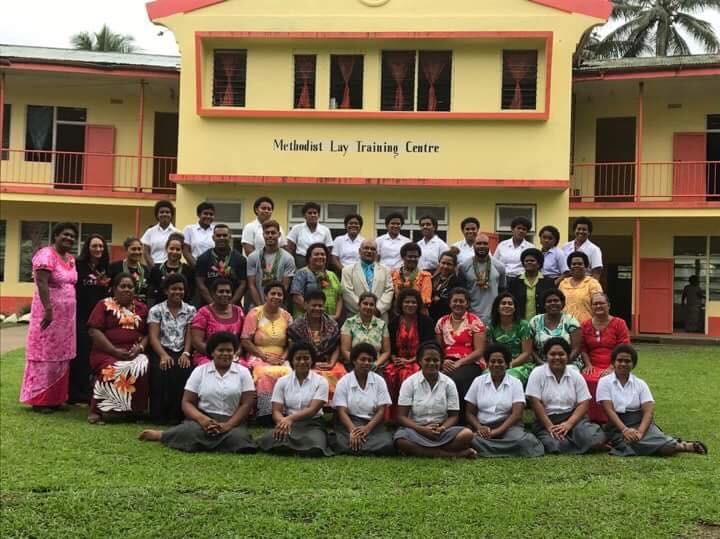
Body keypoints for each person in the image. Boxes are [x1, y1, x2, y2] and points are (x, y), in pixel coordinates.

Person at [139, 332, 257, 453]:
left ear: (234, 352)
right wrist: (203, 420)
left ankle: (203, 441)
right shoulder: (200, 371)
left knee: (239, 440)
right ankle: (163, 435)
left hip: (232, 422)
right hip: (202, 421)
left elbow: (247, 404)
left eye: (229, 350)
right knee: (187, 432)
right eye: (221, 350)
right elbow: (187, 402)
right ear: (212, 352)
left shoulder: (243, 372)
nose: (226, 354)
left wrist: (228, 425)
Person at [598, 344, 707, 457]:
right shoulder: (605, 382)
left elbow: (648, 412)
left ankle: (683, 445)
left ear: (633, 364)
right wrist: (625, 430)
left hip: (640, 424)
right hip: (617, 426)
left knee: (666, 448)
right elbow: (609, 410)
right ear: (613, 362)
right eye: (619, 360)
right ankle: (679, 445)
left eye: (627, 361)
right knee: (629, 443)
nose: (623, 364)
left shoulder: (640, 384)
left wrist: (640, 432)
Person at [20, 222, 79, 412]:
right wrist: (48, 308)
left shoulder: (70, 259)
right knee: (44, 355)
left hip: (66, 319)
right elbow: (42, 282)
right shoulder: (46, 254)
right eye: (65, 235)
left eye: (72, 236)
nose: (69, 238)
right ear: (56, 236)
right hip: (49, 315)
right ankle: (40, 400)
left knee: (61, 357)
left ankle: (56, 399)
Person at [394, 341, 476, 458]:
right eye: (427, 360)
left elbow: (454, 416)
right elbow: (401, 417)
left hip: (441, 432)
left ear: (441, 362)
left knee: (467, 434)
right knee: (400, 440)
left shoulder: (449, 383)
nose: (432, 363)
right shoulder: (409, 383)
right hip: (416, 430)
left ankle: (425, 452)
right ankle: (452, 455)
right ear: (419, 361)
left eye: (436, 360)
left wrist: (442, 428)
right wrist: (422, 430)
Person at [87, 272, 149, 424]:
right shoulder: (104, 305)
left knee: (142, 366)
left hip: (134, 351)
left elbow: (149, 333)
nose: (127, 289)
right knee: (113, 368)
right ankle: (99, 411)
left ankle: (134, 411)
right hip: (106, 351)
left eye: (130, 287)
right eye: (123, 286)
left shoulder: (142, 308)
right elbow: (94, 330)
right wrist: (114, 351)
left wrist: (140, 348)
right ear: (114, 289)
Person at [526, 337, 606, 454]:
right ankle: (578, 443)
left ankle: (578, 440)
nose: (557, 357)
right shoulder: (537, 373)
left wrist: (568, 424)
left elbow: (584, 403)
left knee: (593, 437)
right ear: (546, 356)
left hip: (573, 419)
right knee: (555, 444)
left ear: (568, 356)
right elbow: (534, 402)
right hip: (547, 420)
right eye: (552, 354)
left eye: (561, 354)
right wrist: (550, 427)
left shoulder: (575, 375)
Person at [465, 344, 544, 458]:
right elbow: (469, 413)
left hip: (509, 427)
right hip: (483, 427)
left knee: (523, 441)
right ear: (487, 364)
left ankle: (484, 450)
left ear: (507, 364)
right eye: (492, 361)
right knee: (467, 438)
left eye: (500, 361)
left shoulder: (515, 383)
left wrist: (495, 432)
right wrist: (479, 428)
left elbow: (517, 415)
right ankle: (504, 450)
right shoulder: (478, 381)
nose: (496, 364)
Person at [258, 342, 333, 457]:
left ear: (312, 360)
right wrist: (282, 422)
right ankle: (297, 448)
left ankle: (288, 447)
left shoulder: (321, 381)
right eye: (298, 358)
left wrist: (289, 419)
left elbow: (312, 410)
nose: (302, 362)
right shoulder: (282, 381)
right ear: (292, 361)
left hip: (313, 424)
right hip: (288, 425)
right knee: (268, 439)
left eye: (306, 358)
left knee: (316, 444)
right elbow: (276, 411)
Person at [147, 273, 196, 424]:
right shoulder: (156, 310)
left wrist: (186, 353)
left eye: (181, 289)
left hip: (183, 350)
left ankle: (178, 416)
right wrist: (162, 355)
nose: (177, 292)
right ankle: (159, 416)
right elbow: (153, 336)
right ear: (166, 291)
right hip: (161, 350)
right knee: (162, 369)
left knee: (183, 369)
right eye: (173, 289)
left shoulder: (191, 310)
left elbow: (190, 335)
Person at [241, 282, 293, 421]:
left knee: (288, 373)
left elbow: (291, 343)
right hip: (258, 355)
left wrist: (283, 358)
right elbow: (245, 340)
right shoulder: (255, 313)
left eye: (279, 294)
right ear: (265, 296)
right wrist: (264, 356)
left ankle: (285, 412)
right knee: (264, 374)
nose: (276, 297)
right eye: (273, 293)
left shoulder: (287, 316)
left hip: (281, 356)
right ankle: (265, 412)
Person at [332, 343, 395, 456]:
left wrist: (367, 429)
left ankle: (356, 448)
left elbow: (381, 411)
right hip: (350, 423)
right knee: (338, 441)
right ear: (354, 361)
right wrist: (353, 431)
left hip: (372, 424)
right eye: (363, 359)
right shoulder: (344, 381)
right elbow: (341, 411)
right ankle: (367, 449)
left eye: (370, 360)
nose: (366, 363)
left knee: (388, 443)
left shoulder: (379, 381)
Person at [71, 232, 110, 405]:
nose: (98, 249)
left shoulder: (105, 268)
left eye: (101, 246)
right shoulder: (78, 266)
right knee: (79, 354)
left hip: (99, 319)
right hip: (80, 316)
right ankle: (74, 393)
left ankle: (89, 391)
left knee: (93, 355)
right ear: (87, 248)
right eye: (94, 246)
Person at [580, 292, 630, 423]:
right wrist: (588, 365)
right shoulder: (585, 325)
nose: (598, 306)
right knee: (587, 379)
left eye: (601, 303)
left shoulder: (619, 323)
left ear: (608, 305)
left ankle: (609, 418)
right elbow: (583, 348)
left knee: (606, 380)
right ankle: (590, 418)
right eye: (595, 304)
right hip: (592, 364)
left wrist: (612, 367)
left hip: (615, 364)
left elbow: (623, 347)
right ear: (591, 307)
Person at [386, 288, 435, 420]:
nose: (410, 305)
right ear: (401, 304)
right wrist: (394, 358)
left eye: (413, 302)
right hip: (398, 360)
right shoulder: (393, 322)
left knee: (407, 375)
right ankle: (392, 418)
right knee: (389, 373)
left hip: (419, 360)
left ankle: (412, 416)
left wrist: (410, 361)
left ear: (418, 304)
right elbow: (389, 346)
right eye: (407, 302)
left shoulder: (426, 322)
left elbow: (428, 346)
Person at [435, 287, 487, 410]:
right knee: (435, 377)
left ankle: (461, 418)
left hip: (470, 362)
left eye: (461, 301)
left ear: (467, 304)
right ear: (450, 303)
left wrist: (459, 363)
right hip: (446, 362)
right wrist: (442, 361)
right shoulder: (441, 322)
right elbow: (438, 348)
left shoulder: (475, 321)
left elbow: (479, 351)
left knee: (457, 379)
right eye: (455, 301)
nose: (458, 303)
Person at [287, 290, 345, 399]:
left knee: (341, 374)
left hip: (327, 363)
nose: (317, 308)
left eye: (320, 306)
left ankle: (335, 410)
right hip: (303, 362)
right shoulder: (296, 326)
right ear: (305, 305)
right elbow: (293, 349)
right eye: (314, 305)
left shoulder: (332, 324)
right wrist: (311, 363)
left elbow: (336, 346)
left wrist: (332, 363)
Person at [191, 278, 244, 366]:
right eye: (221, 291)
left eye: (228, 292)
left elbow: (244, 338)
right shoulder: (203, 313)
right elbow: (196, 342)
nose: (225, 294)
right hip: (208, 356)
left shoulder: (238, 311)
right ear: (213, 294)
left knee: (245, 368)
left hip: (233, 356)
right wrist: (217, 355)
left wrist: (236, 353)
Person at [458, 233, 506, 326]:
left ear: (489, 245)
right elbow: (462, 293)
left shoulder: (499, 267)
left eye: (485, 243)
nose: (482, 246)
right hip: (471, 316)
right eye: (479, 243)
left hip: (493, 316)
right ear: (474, 245)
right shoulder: (464, 267)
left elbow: (502, 292)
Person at [487, 292, 534, 385]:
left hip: (520, 364)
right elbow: (490, 351)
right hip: (497, 364)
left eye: (510, 303)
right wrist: (498, 365)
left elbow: (527, 353)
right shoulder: (491, 327)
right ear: (497, 307)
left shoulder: (523, 325)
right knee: (485, 376)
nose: (507, 306)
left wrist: (509, 365)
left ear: (515, 308)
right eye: (503, 303)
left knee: (509, 377)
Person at [195, 224, 247, 307]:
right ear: (213, 238)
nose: (221, 238)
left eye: (225, 235)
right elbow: (200, 284)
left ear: (230, 237)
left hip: (233, 307)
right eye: (218, 235)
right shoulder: (203, 258)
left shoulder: (240, 259)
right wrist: (213, 305)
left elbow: (243, 284)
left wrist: (230, 306)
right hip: (208, 306)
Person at [246, 220, 295, 307]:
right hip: (257, 305)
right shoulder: (253, 257)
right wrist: (261, 308)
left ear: (279, 235)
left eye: (273, 233)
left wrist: (274, 308)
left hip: (279, 306)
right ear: (263, 235)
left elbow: (285, 286)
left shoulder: (288, 258)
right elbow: (251, 285)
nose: (270, 236)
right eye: (267, 233)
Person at [341, 240, 394, 319]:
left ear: (376, 253)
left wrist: (378, 309)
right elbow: (347, 292)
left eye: (373, 249)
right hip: (355, 316)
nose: (369, 251)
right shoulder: (347, 270)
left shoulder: (386, 270)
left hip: (379, 316)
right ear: (359, 251)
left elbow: (389, 290)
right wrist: (364, 309)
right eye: (366, 248)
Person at [528, 288, 581, 365]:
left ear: (562, 303)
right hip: (541, 363)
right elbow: (530, 349)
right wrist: (542, 363)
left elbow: (576, 349)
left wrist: (563, 364)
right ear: (544, 305)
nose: (553, 303)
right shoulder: (535, 321)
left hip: (569, 363)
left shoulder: (571, 321)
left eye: (556, 300)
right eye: (549, 301)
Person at [290, 243, 342, 319]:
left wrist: (336, 315)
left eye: (323, 254)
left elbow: (339, 297)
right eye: (316, 254)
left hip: (330, 320)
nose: (320, 256)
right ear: (309, 257)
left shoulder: (332, 275)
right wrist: (318, 313)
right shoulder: (302, 273)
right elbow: (296, 297)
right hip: (306, 320)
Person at [340, 292, 391, 369]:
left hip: (375, 366)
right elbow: (345, 350)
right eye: (365, 303)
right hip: (354, 366)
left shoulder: (382, 324)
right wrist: (357, 364)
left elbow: (386, 351)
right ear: (359, 305)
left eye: (371, 305)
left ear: (375, 307)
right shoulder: (349, 323)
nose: (368, 307)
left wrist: (376, 364)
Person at [507, 248, 555, 321]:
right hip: (520, 323)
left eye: (532, 261)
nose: (529, 262)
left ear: (539, 264)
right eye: (526, 261)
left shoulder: (548, 282)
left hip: (542, 323)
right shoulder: (515, 282)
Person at [148, 233, 194, 305]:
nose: (174, 252)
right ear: (166, 248)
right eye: (172, 248)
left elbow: (190, 294)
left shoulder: (188, 270)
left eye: (178, 249)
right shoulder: (156, 270)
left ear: (182, 251)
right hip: (159, 310)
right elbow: (151, 294)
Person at [285, 201, 333, 268]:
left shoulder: (325, 230)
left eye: (315, 213)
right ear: (304, 215)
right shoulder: (296, 228)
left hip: (319, 261)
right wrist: (291, 263)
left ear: (318, 215)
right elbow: (289, 247)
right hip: (301, 260)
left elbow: (329, 249)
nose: (312, 215)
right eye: (309, 213)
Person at [559, 251, 603, 323]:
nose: (576, 266)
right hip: (565, 327)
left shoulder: (592, 283)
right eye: (574, 264)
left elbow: (599, 306)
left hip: (587, 327)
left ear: (585, 266)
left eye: (580, 264)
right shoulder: (563, 283)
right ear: (570, 267)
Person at [108, 237, 151, 304]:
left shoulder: (145, 270)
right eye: (133, 249)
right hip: (119, 308)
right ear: (126, 250)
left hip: (140, 308)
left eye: (139, 249)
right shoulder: (115, 267)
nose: (137, 252)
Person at [391, 242, 433, 310]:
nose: (413, 259)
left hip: (419, 313)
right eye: (410, 256)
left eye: (415, 257)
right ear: (403, 257)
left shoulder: (425, 276)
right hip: (397, 312)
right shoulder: (394, 274)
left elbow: (425, 299)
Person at [141, 200, 179, 267]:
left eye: (167, 212)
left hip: (172, 266)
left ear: (171, 214)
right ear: (157, 215)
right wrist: (154, 268)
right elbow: (145, 252)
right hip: (153, 266)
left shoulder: (177, 233)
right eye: (161, 212)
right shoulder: (150, 232)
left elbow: (179, 252)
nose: (164, 214)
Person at [429, 251, 462, 323]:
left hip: (447, 320)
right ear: (439, 263)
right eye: (443, 263)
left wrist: (440, 300)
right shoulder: (430, 277)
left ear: (454, 266)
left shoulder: (457, 282)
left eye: (449, 264)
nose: (445, 266)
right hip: (429, 318)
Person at [182, 201, 216, 267]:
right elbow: (185, 251)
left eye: (211, 214)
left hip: (213, 268)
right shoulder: (189, 229)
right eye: (205, 213)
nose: (208, 216)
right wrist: (197, 266)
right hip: (194, 267)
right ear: (198, 214)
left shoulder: (216, 230)